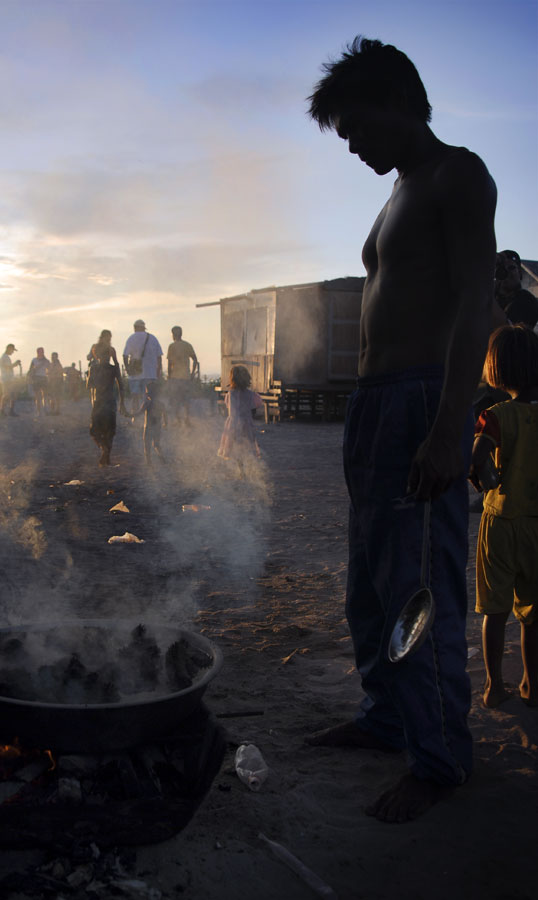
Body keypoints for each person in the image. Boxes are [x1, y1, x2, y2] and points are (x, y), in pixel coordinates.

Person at [306, 37, 497, 822]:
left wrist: (451, 425)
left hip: (422, 399)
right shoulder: (400, 189)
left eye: (354, 127)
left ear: (397, 101)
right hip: (375, 403)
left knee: (421, 587)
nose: (350, 145)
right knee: (371, 582)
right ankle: (387, 719)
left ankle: (438, 757)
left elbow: (476, 300)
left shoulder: (458, 174)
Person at [469, 325, 538, 709]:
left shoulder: (495, 416)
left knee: (495, 610)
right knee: (534, 612)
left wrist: (485, 478)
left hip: (500, 522)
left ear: (498, 369)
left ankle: (495, 687)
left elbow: (478, 455)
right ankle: (532, 684)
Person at [217, 365, 263, 477]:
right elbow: (255, 406)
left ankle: (241, 469)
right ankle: (247, 468)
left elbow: (228, 406)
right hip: (247, 423)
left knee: (236, 446)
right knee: (247, 445)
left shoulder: (230, 394)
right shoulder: (251, 394)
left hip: (233, 423)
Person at [88, 341, 128, 466]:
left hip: (98, 402)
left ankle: (103, 449)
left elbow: (89, 385)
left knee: (94, 431)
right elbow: (121, 386)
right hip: (110, 402)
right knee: (110, 431)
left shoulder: (94, 368)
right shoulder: (113, 368)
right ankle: (106, 455)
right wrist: (122, 403)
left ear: (96, 355)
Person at [122, 320, 163, 414]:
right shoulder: (153, 338)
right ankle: (147, 417)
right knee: (149, 398)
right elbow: (159, 357)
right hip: (150, 373)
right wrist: (158, 371)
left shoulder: (131, 338)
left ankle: (134, 417)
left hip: (135, 373)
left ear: (135, 327)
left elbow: (125, 355)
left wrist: (127, 368)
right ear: (144, 328)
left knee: (135, 396)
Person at [494, 250, 538, 329]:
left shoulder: (526, 300)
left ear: (520, 273)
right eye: (501, 269)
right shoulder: (492, 295)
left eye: (511, 268)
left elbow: (506, 328)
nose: (506, 272)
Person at [167, 325, 198, 425]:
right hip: (186, 377)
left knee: (176, 399)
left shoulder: (171, 346)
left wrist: (169, 376)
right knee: (186, 399)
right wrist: (192, 373)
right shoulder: (187, 345)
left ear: (174, 335)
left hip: (175, 377)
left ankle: (178, 419)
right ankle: (187, 418)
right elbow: (195, 360)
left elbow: (169, 364)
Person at [133, 379, 167, 465]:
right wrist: (165, 423)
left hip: (148, 427)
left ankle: (149, 461)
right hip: (157, 427)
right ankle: (161, 457)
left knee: (147, 445)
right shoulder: (161, 404)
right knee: (156, 444)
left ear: (148, 394)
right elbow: (165, 414)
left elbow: (139, 413)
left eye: (147, 392)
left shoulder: (147, 403)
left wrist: (131, 416)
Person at [0, 343, 21, 416]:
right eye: (12, 350)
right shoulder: (4, 357)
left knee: (10, 395)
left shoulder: (5, 357)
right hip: (6, 379)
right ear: (9, 349)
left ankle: (8, 410)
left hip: (8, 378)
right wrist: (15, 363)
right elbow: (7, 367)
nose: (12, 352)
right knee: (6, 394)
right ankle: (4, 410)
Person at [27, 347, 50, 416]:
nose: (42, 353)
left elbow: (49, 369)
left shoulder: (46, 361)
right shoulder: (34, 360)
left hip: (44, 377)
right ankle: (39, 411)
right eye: (40, 351)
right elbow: (30, 370)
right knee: (37, 396)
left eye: (43, 351)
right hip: (36, 378)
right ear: (37, 352)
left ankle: (46, 409)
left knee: (45, 395)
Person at [47, 351, 64, 415]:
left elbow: (59, 373)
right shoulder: (51, 364)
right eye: (52, 356)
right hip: (52, 382)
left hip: (56, 381)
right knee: (52, 396)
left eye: (53, 356)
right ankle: (53, 410)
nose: (52, 357)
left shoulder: (58, 365)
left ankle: (56, 410)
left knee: (56, 396)